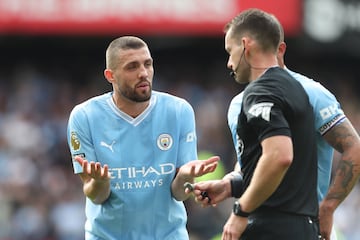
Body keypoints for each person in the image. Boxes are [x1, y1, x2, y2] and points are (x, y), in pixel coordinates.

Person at [193, 12, 360, 240]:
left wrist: (329, 207)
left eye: (230, 52)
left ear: (279, 50)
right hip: (261, 222)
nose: (229, 63)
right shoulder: (237, 104)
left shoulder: (311, 93)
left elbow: (353, 148)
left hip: (295, 222)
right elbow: (254, 166)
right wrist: (228, 185)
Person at [66, 36, 220, 240]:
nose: (143, 73)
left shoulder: (179, 111)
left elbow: (179, 193)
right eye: (132, 67)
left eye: (148, 64)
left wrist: (185, 176)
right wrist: (100, 182)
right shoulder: (84, 116)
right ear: (110, 75)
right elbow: (96, 195)